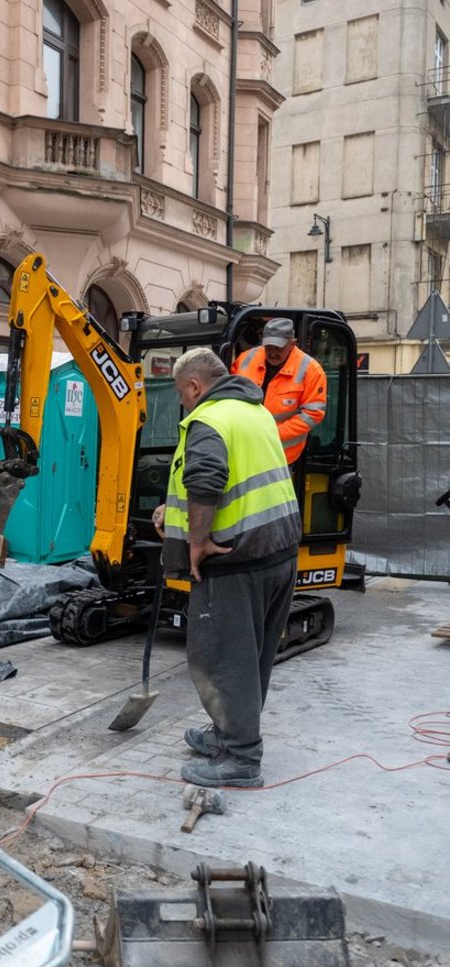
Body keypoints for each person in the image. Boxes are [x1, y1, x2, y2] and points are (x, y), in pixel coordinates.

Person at [153, 347, 301, 788]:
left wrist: (196, 542)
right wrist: (175, 512)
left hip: (235, 563)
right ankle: (229, 733)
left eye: (182, 394)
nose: (183, 403)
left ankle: (239, 759)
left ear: (195, 386)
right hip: (277, 553)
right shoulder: (255, 413)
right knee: (251, 659)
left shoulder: (209, 419)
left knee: (223, 660)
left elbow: (206, 479)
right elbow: (233, 480)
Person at [231, 317, 327, 465]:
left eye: (279, 347)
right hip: (243, 449)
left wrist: (272, 433)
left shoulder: (311, 370)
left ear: (292, 344)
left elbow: (312, 414)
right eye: (269, 347)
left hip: (280, 456)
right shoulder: (246, 359)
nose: (273, 353)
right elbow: (229, 395)